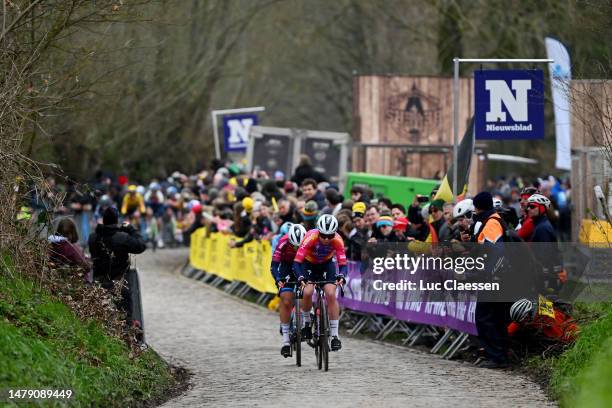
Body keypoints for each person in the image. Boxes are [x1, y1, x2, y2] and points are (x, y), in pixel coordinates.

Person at [466, 192, 510, 369]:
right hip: (497, 277)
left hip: (493, 279)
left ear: (479, 207)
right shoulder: (493, 219)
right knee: (496, 318)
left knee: (484, 318)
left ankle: (496, 356)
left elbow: (494, 252)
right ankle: (500, 356)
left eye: (475, 208)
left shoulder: (492, 222)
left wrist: (486, 273)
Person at [293, 214, 347, 351]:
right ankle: (306, 322)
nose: (327, 239)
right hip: (309, 264)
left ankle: (335, 336)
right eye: (323, 235)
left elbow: (343, 263)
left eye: (330, 236)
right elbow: (297, 262)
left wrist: (342, 275)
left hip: (326, 264)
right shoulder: (310, 238)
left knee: (330, 293)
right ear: (318, 231)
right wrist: (300, 277)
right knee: (308, 291)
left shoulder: (338, 240)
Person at [88, 207, 146, 326]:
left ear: (103, 220)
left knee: (101, 320)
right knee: (124, 320)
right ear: (116, 220)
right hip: (119, 284)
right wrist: (131, 229)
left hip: (99, 283)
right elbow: (140, 246)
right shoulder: (121, 238)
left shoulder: (93, 237)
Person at [271, 224, 307, 357]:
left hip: (304, 264)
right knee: (286, 299)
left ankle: (309, 316)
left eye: (300, 246)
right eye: (294, 246)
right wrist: (278, 278)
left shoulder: (310, 240)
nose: (297, 248)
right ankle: (286, 341)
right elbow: (274, 266)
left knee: (307, 293)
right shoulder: (283, 243)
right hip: (287, 267)